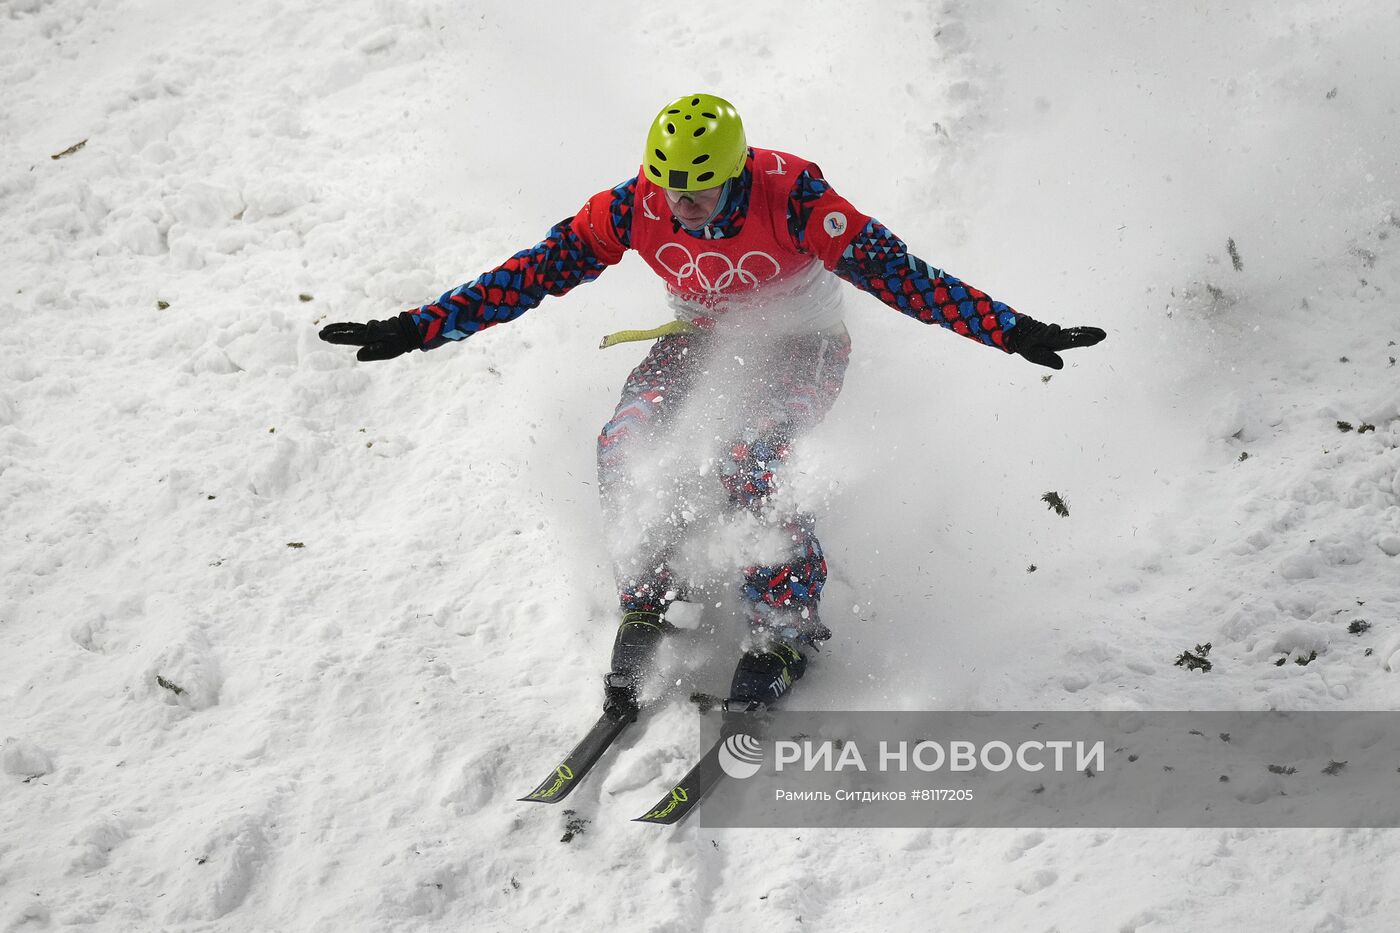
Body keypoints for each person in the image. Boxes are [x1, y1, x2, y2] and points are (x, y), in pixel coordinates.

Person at [319, 93, 1105, 719]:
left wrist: (1012, 330)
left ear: (735, 174)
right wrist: (417, 327)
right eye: (670, 188)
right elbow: (534, 271)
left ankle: (786, 630)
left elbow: (906, 277)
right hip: (700, 339)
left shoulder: (796, 197)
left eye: (698, 190)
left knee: (752, 458)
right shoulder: (635, 206)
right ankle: (651, 594)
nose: (681, 205)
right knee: (623, 440)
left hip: (803, 346)